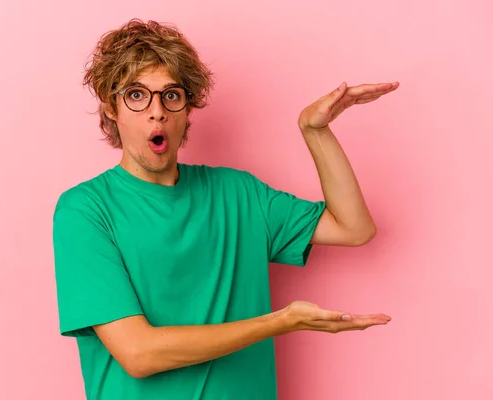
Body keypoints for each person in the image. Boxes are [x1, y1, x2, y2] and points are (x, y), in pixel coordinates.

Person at [52, 18, 397, 400]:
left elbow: (353, 228)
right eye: (136, 95)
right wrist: (280, 322)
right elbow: (138, 353)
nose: (156, 112)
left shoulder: (238, 193)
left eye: (171, 95)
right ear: (111, 108)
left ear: (188, 107)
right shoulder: (85, 210)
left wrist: (315, 131)